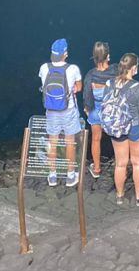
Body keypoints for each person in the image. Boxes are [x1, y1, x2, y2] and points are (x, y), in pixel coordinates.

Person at [104, 53, 139, 205]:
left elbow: (104, 106)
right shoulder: (138, 88)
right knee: (137, 162)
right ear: (133, 68)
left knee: (120, 163)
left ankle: (119, 196)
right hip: (136, 128)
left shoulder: (109, 84)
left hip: (117, 127)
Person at [39, 37, 83, 187]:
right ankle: (70, 176)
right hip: (68, 109)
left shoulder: (44, 67)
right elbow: (79, 87)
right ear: (65, 53)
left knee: (52, 142)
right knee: (70, 142)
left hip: (51, 110)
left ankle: (52, 176)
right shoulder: (73, 69)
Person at [83, 41, 117, 179]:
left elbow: (87, 95)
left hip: (96, 109)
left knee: (96, 139)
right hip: (112, 110)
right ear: (108, 56)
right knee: (117, 138)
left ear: (94, 57)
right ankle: (120, 167)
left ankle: (96, 169)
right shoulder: (115, 71)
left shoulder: (90, 75)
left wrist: (87, 109)